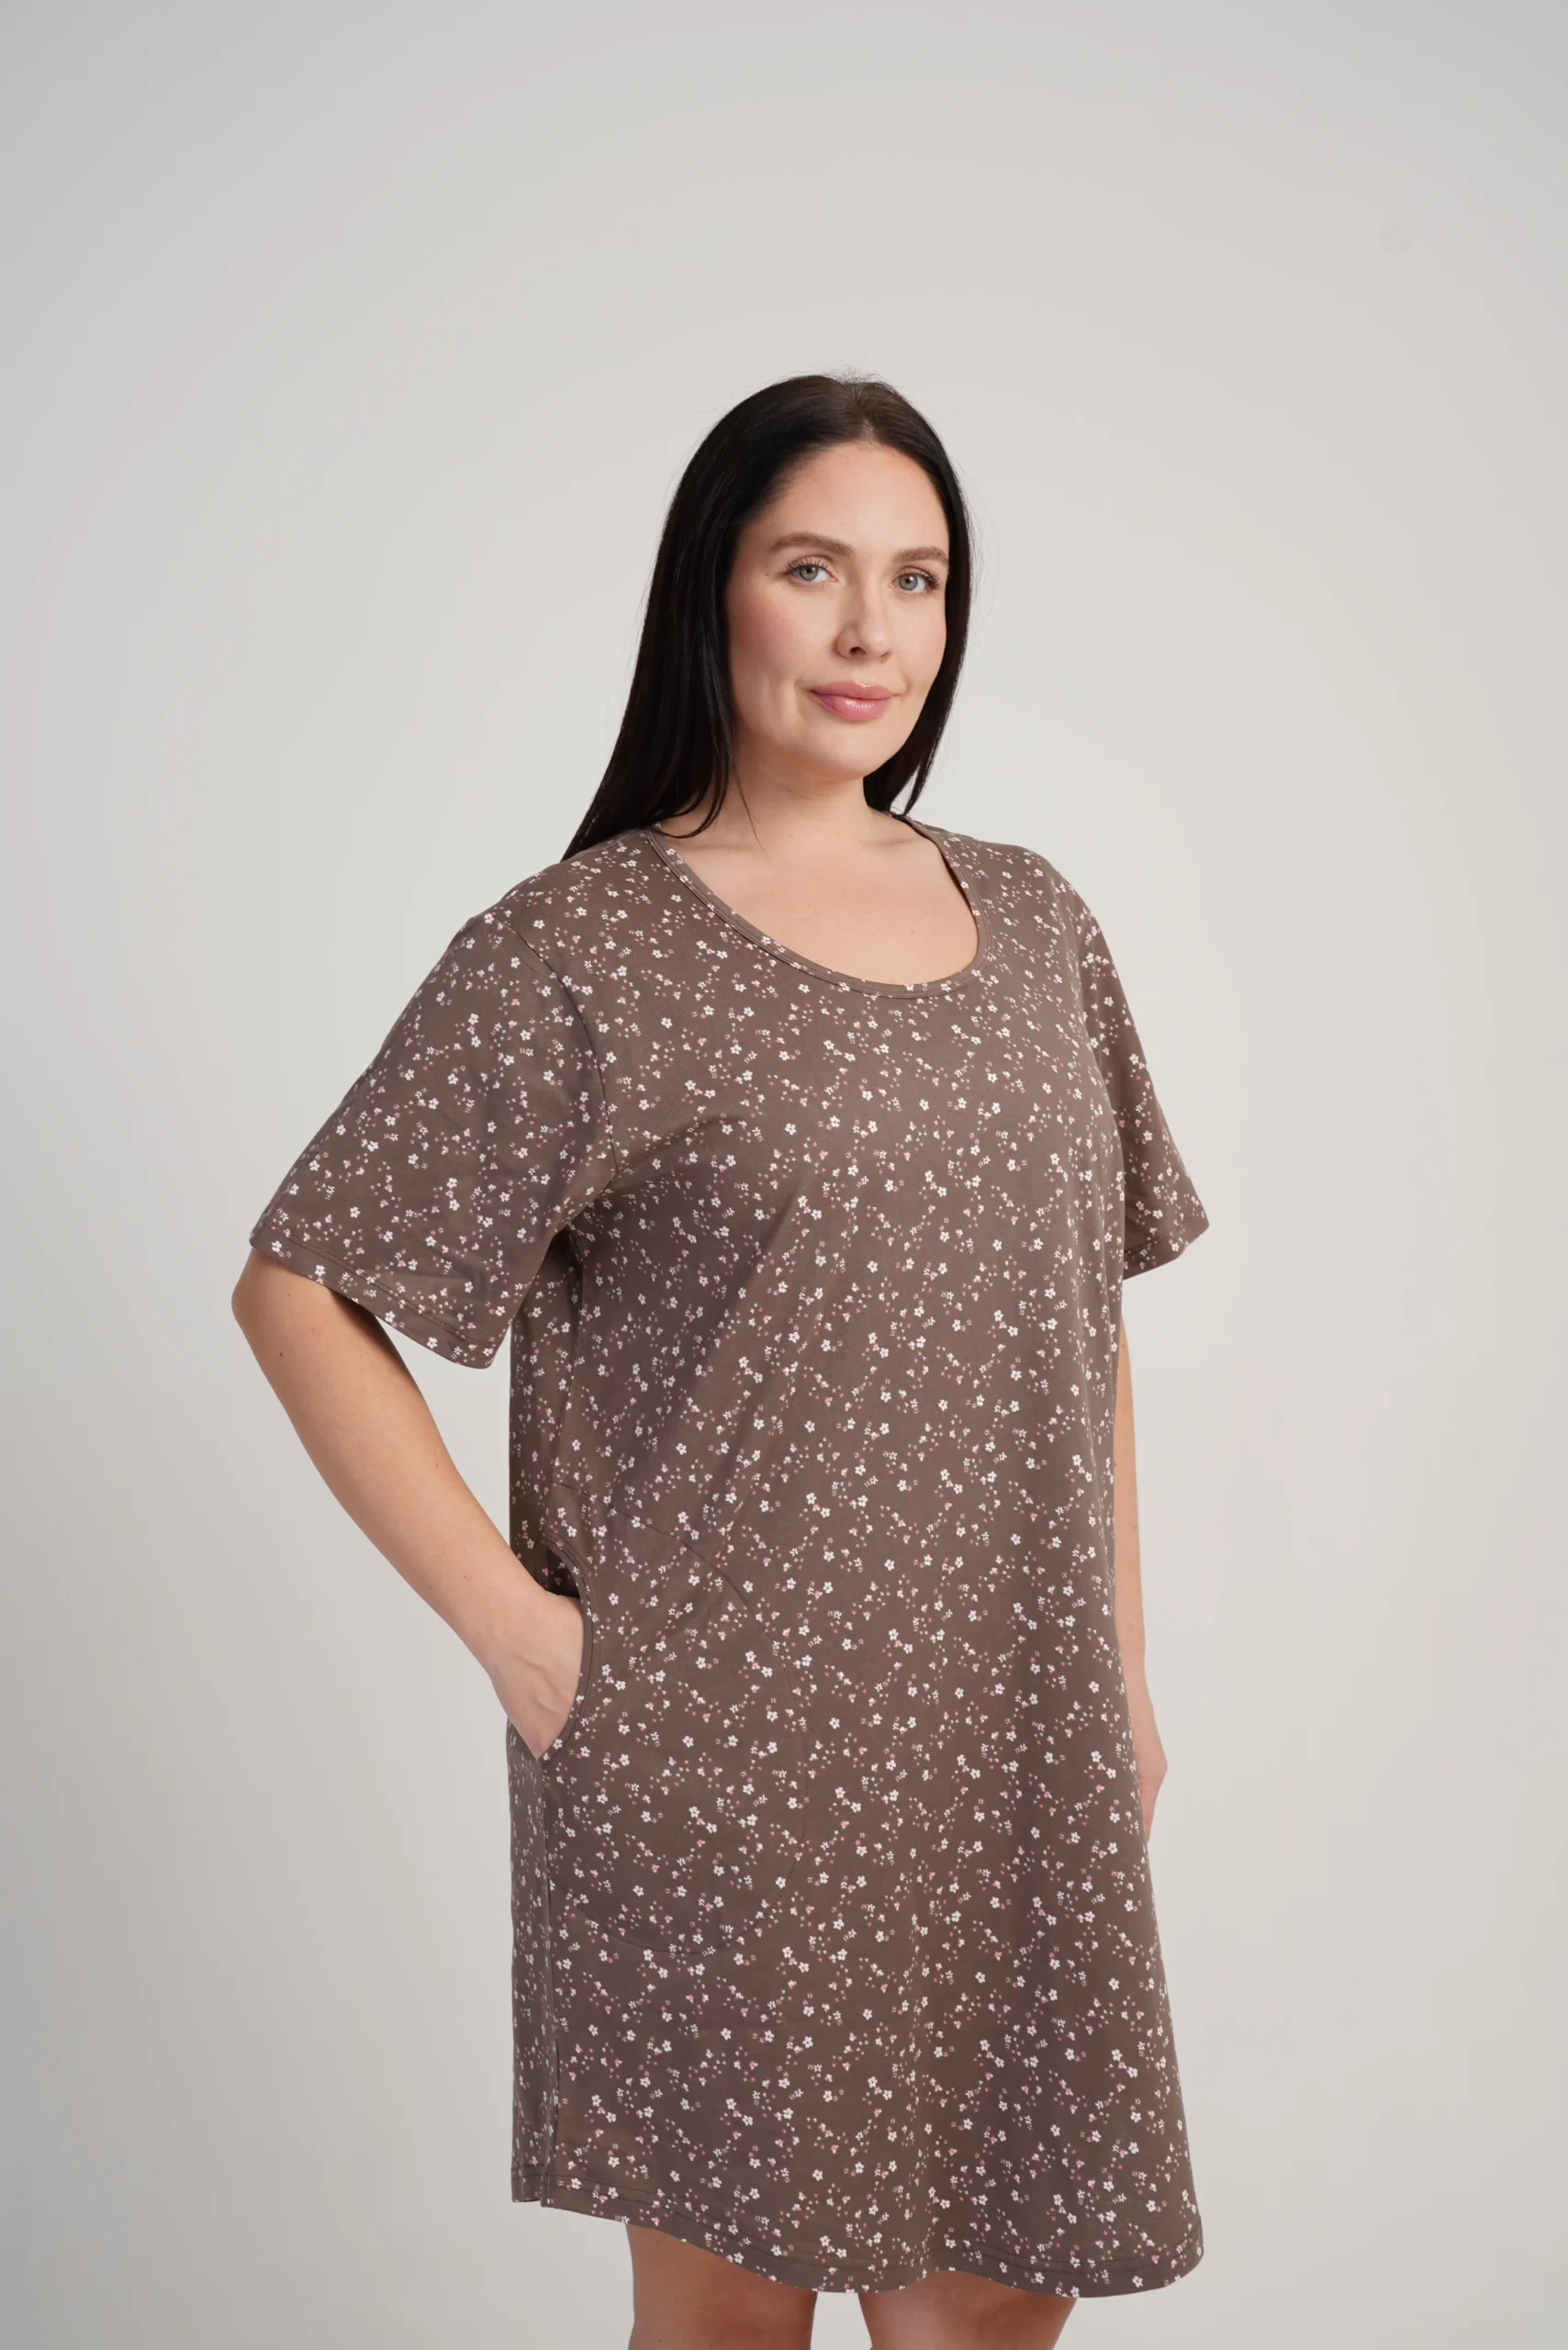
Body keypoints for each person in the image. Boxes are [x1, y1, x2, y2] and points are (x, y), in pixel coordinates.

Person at [233, 374, 1211, 2349]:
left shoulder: (1037, 923)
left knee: (988, 2316)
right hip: (720, 1758)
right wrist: (523, 1640)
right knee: (728, 2325)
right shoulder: (580, 946)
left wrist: (1115, 1666)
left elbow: (1078, 1314)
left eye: (917, 579)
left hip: (1006, 1741)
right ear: (714, 590)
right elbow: (297, 1287)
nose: (871, 631)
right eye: (811, 567)